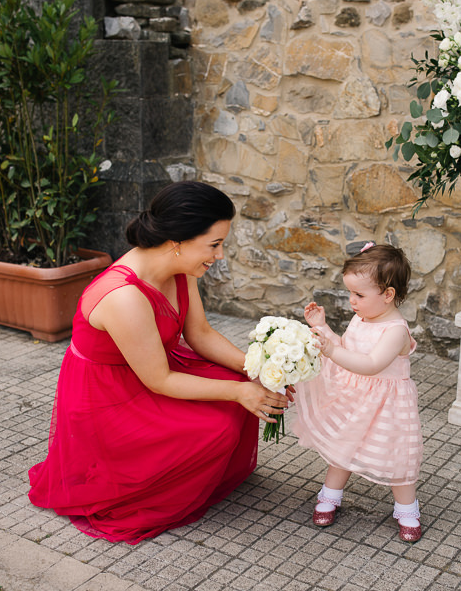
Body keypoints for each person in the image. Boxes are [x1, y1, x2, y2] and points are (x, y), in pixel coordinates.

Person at [27, 181, 290, 543]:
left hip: (150, 368)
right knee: (218, 424)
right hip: (111, 395)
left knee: (237, 391)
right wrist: (239, 391)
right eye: (215, 244)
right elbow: (160, 380)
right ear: (177, 241)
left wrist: (257, 370)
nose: (221, 255)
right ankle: (147, 482)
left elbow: (200, 335)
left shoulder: (180, 267)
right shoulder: (123, 297)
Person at [292, 243, 424, 542]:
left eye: (359, 295)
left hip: (388, 405)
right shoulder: (361, 318)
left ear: (388, 295)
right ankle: (330, 495)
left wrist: (331, 351)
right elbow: (346, 348)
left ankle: (407, 509)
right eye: (350, 292)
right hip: (355, 397)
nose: (352, 301)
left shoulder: (395, 330)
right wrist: (323, 329)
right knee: (343, 445)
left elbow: (371, 364)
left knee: (398, 458)